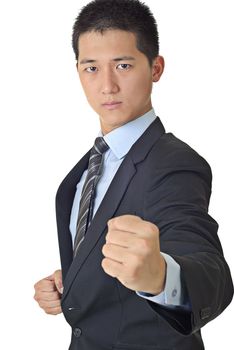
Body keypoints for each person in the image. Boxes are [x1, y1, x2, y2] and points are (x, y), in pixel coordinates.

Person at [34, 0, 233, 349]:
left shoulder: (175, 164)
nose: (107, 86)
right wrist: (73, 281)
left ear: (156, 68)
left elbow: (209, 270)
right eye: (91, 68)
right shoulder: (87, 168)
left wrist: (161, 277)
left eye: (123, 65)